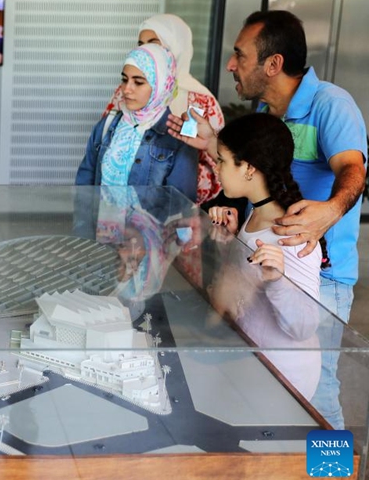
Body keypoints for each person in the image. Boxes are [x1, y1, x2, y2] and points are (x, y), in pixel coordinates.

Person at [168, 10, 367, 429]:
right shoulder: (266, 109)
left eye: (240, 55)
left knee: (320, 395)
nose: (231, 65)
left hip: (318, 271)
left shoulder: (330, 104)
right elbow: (255, 169)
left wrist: (326, 215)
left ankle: (331, 472)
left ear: (273, 64)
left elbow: (354, 169)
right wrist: (212, 144)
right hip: (271, 261)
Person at [207, 113, 323, 399]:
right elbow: (243, 286)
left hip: (283, 377)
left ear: (247, 167)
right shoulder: (252, 216)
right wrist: (230, 241)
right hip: (251, 364)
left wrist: (277, 280)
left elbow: (305, 326)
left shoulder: (294, 236)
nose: (216, 167)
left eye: (221, 159)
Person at [104, 14, 225, 205]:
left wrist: (166, 178)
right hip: (117, 205)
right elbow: (105, 141)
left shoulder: (199, 100)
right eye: (141, 44)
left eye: (154, 43)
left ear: (177, 47)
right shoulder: (124, 91)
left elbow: (217, 169)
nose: (146, 50)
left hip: (177, 209)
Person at [76, 44, 197, 202]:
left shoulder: (180, 137)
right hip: (102, 226)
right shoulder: (108, 125)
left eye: (138, 82)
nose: (126, 89)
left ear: (159, 85)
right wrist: (83, 226)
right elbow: (84, 191)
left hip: (152, 227)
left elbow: (182, 209)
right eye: (124, 80)